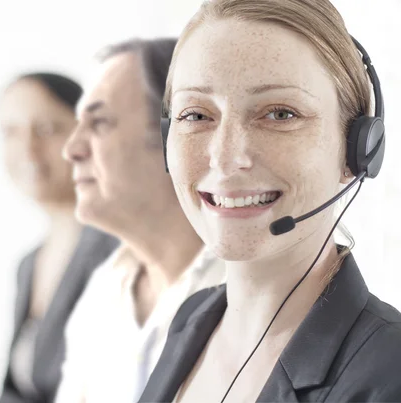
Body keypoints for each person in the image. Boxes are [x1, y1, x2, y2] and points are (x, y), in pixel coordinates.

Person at [137, 1, 401, 402]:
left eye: (279, 114)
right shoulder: (192, 319)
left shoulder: (388, 371)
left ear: (356, 150)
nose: (226, 157)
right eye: (195, 115)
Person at [54, 38, 226, 403]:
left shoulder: (252, 294)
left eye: (98, 122)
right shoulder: (102, 293)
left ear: (175, 137)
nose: (71, 149)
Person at [0, 72, 119, 403]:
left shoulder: (119, 249)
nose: (27, 149)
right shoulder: (28, 264)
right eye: (10, 132)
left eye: (46, 130)